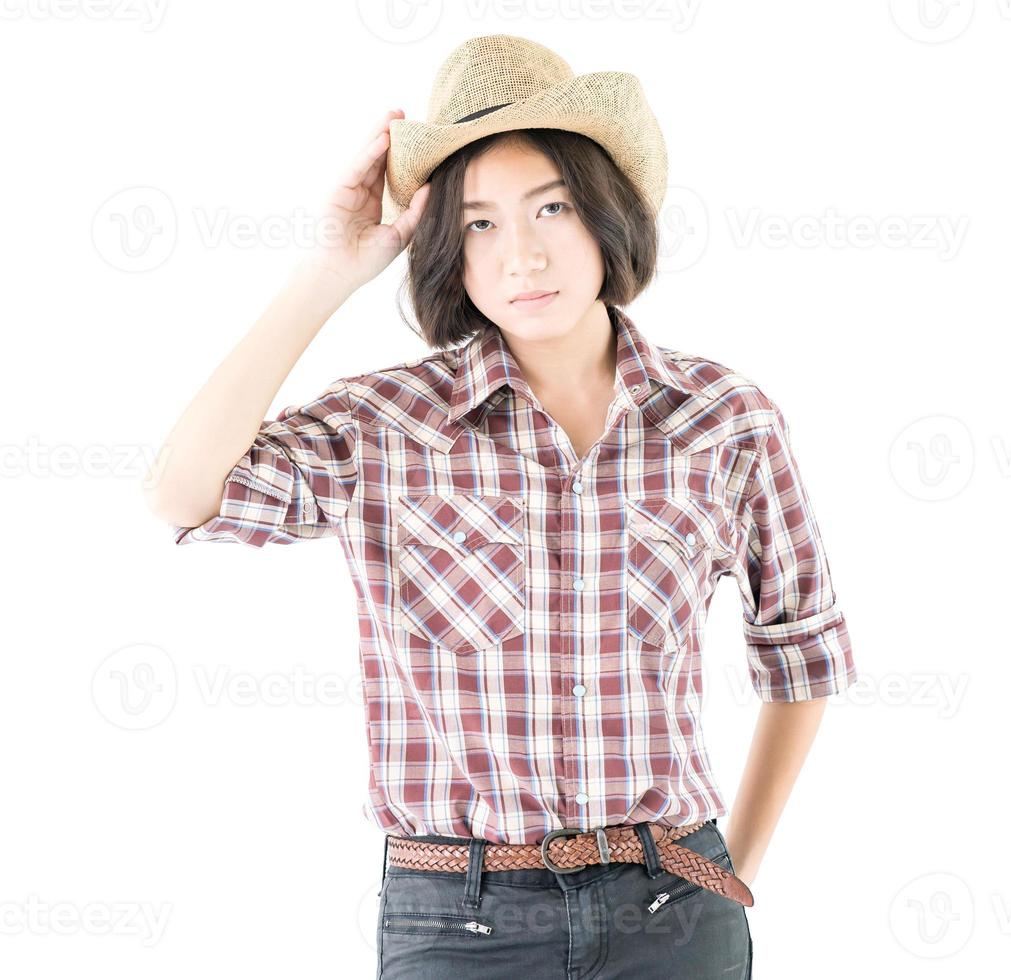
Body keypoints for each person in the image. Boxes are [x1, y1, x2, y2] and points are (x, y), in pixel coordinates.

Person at [143, 33, 857, 980]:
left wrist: (731, 873)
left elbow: (800, 648)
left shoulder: (723, 419)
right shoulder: (387, 424)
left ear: (606, 216)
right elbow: (183, 493)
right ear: (448, 251)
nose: (521, 254)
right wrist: (326, 271)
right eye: (478, 224)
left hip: (672, 907)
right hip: (457, 919)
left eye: (551, 207)